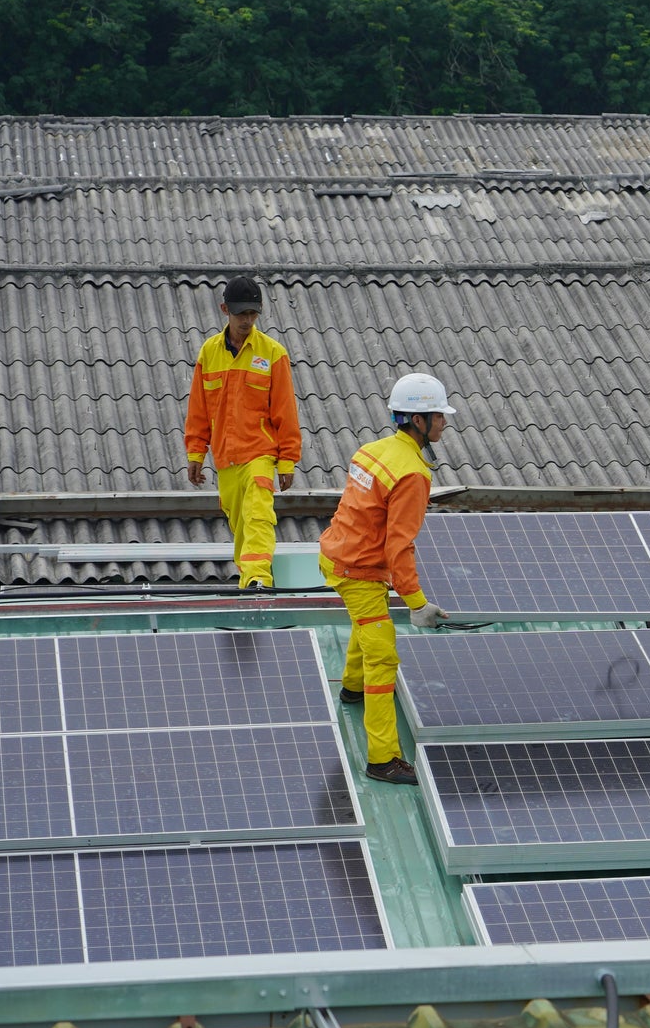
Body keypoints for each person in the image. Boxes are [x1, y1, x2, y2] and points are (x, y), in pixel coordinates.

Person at [318, 374, 458, 784]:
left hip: (335, 553)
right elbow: (400, 546)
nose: (445, 423)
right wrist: (417, 604)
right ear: (418, 420)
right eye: (438, 416)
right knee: (383, 655)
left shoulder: (371, 451)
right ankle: (383, 759)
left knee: (369, 624)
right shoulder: (413, 474)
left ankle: (351, 689)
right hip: (356, 571)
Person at [184, 276, 301, 590]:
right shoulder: (209, 353)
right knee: (240, 524)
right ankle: (247, 583)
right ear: (225, 310)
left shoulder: (273, 354)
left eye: (253, 313)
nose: (248, 320)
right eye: (241, 314)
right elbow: (198, 409)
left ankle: (258, 578)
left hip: (260, 453)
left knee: (258, 514)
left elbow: (285, 411)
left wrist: (287, 460)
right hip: (225, 460)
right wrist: (196, 453)